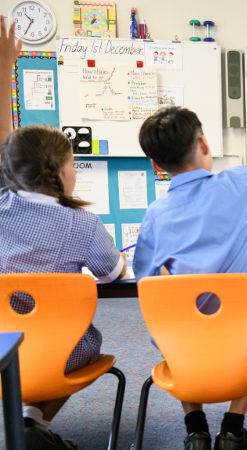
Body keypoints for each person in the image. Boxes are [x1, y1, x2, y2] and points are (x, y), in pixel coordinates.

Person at [134, 81, 247, 450]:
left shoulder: (156, 214)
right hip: (244, 341)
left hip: (186, 346)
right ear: (205, 145)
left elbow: (146, 281)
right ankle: (233, 429)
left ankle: (195, 428)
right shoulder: (244, 183)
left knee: (171, 331)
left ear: (157, 165)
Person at [0, 16, 127, 450]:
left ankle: (27, 418)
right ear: (62, 172)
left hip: (2, 345)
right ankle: (34, 420)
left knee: (25, 353)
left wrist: (3, 70)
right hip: (62, 350)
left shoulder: (1, 206)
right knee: (83, 345)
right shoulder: (81, 223)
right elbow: (112, 274)